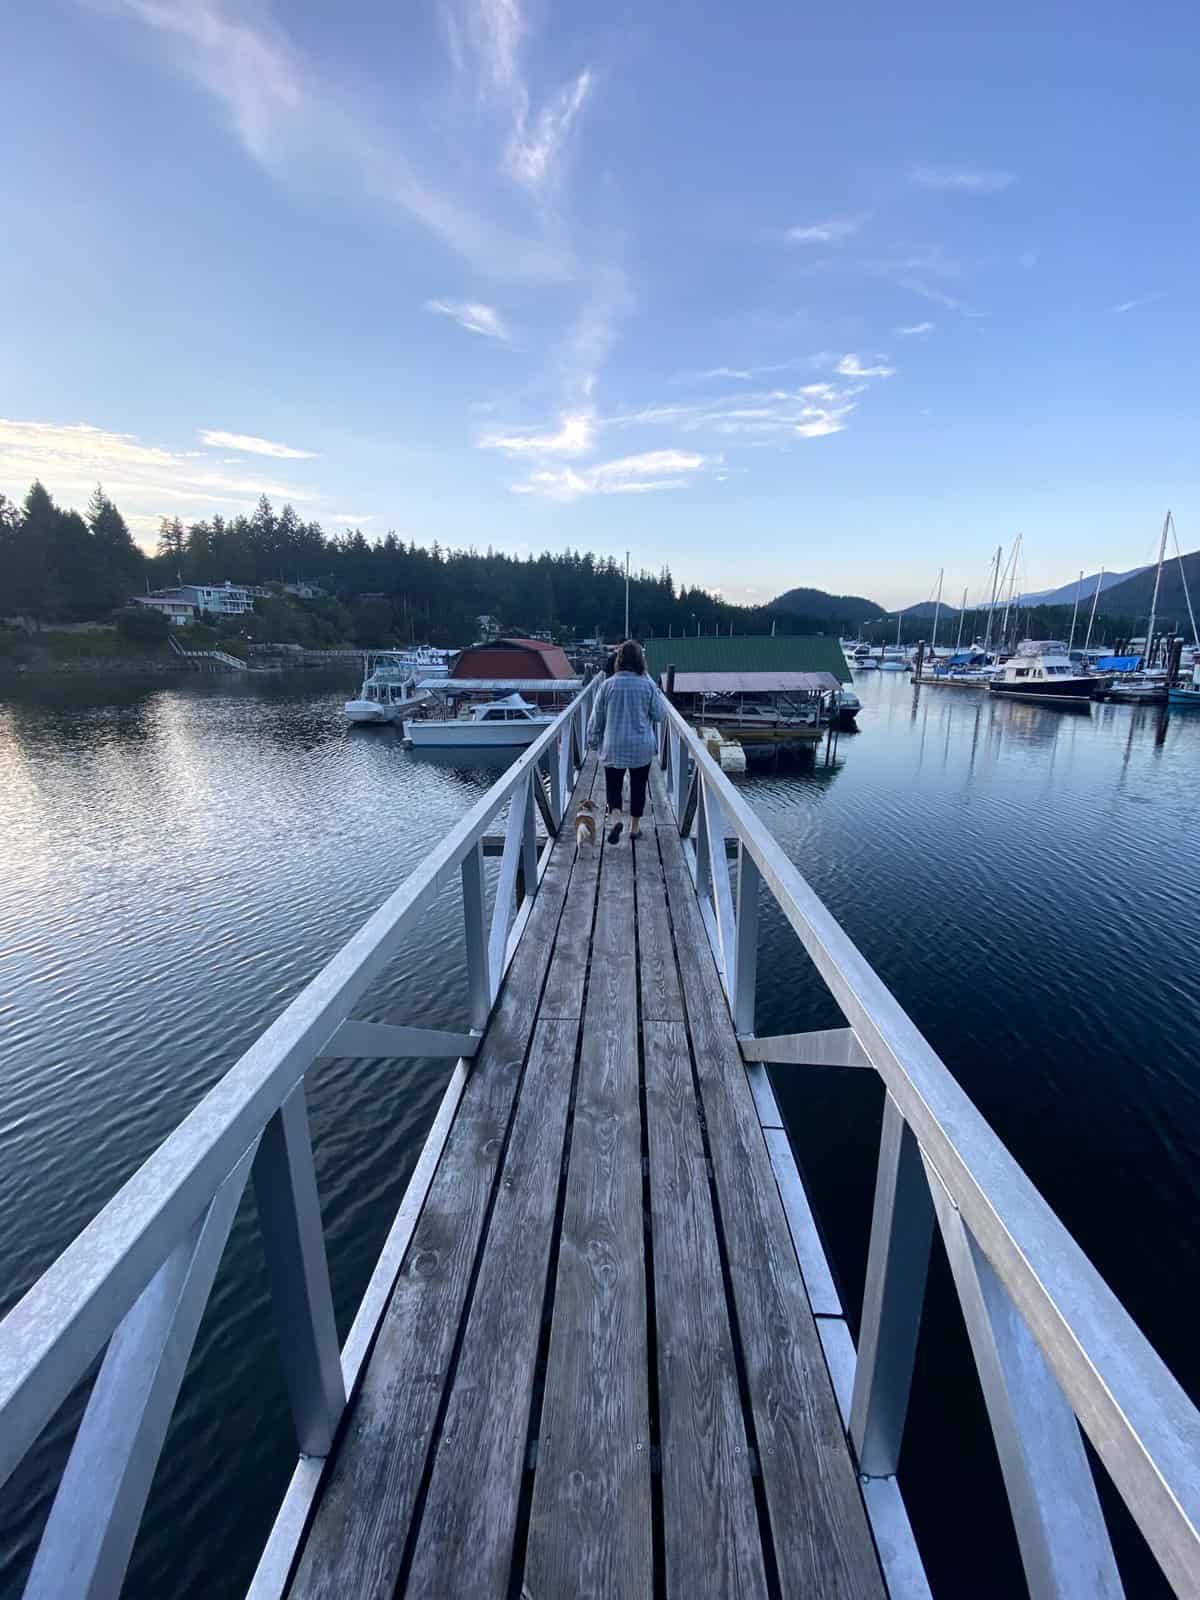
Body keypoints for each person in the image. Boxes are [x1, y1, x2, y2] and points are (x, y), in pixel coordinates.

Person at [587, 639, 664, 843]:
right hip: (641, 747)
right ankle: (634, 828)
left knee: (614, 786)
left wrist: (593, 741)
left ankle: (615, 821)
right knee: (639, 787)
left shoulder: (607, 685)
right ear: (641, 661)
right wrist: (648, 679)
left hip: (613, 746)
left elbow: (597, 718)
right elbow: (659, 714)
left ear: (618, 660)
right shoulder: (647, 685)